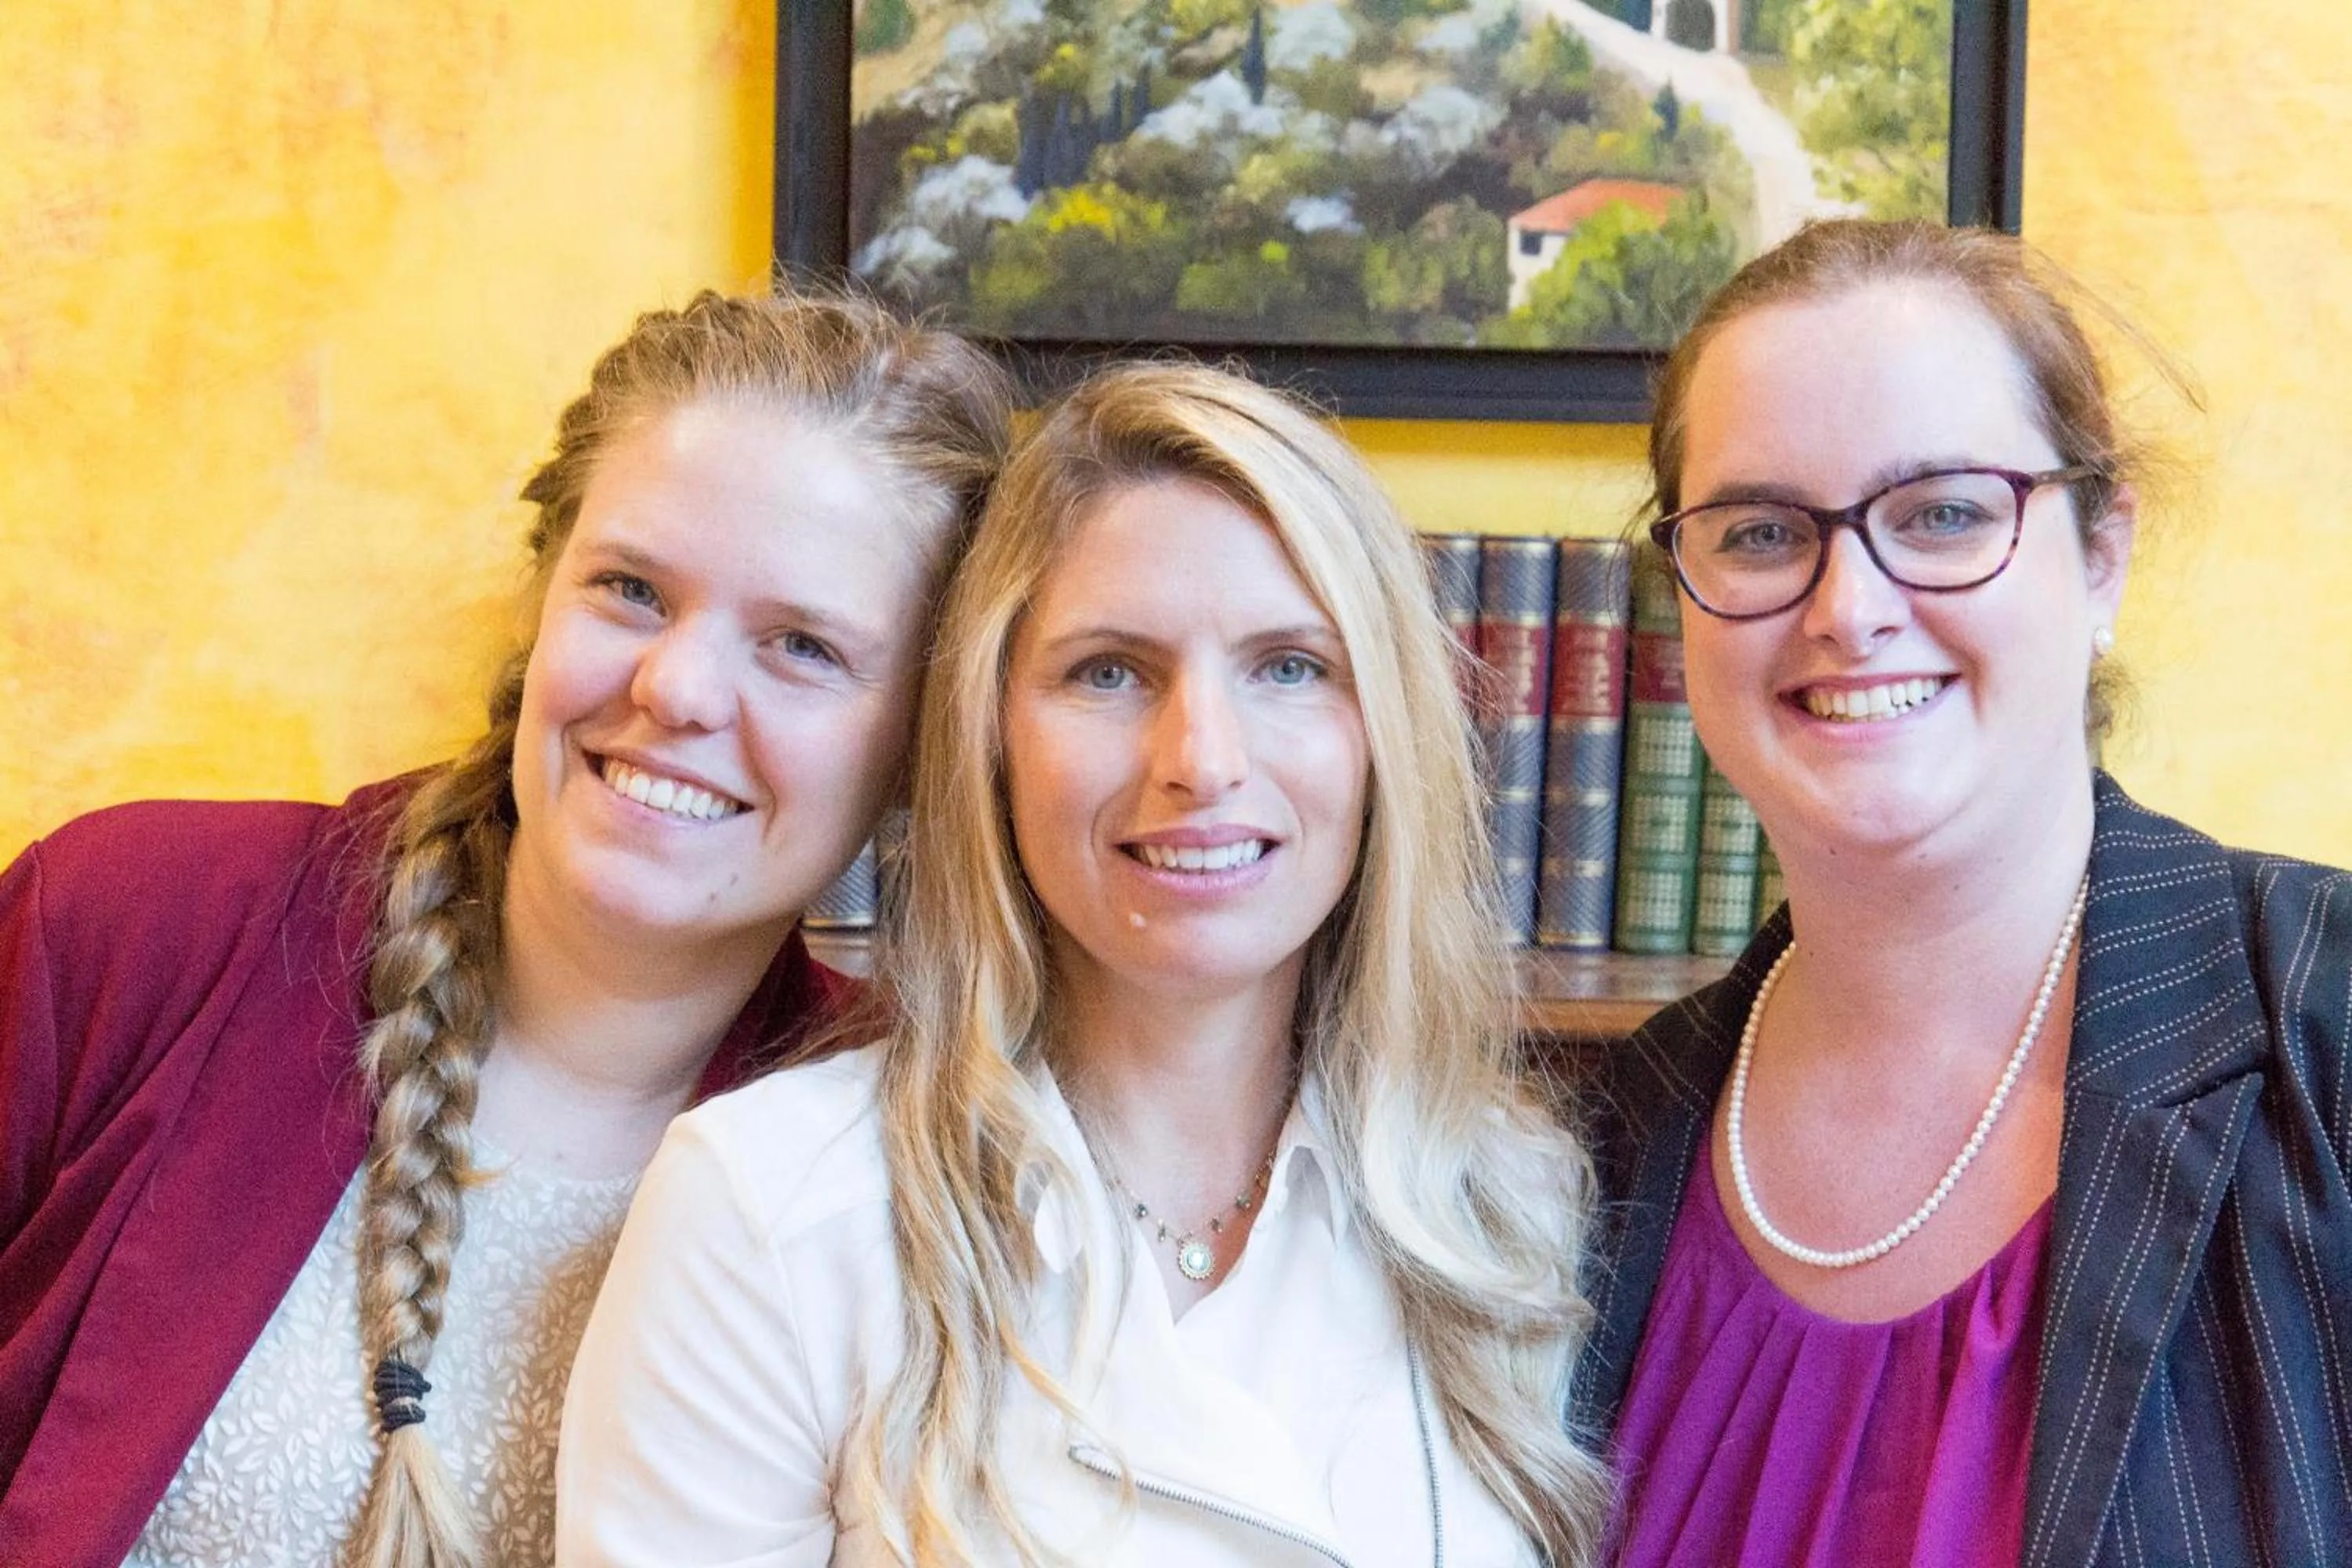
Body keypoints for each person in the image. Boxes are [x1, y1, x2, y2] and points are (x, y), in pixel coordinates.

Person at [0, 285, 1012, 1568]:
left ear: (922, 743)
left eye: (804, 646)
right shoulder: (131, 926)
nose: (679, 687)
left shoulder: (896, 1174)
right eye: (632, 590)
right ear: (543, 602)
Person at [557, 361, 1615, 1566]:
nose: (1201, 759)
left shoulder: (1508, 1201)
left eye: (1288, 667)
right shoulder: (771, 1210)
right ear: (989, 735)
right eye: (1110, 671)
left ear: (1384, 735)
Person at [1571, 218, 2352, 1566]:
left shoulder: (2327, 1031)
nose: (1849, 609)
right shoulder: (1595, 1152)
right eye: (1762, 532)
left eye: (1941, 514)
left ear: (2102, 549)